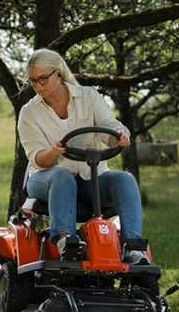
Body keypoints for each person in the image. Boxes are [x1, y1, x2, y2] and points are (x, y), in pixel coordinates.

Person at [17, 48, 147, 263]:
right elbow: (38, 159)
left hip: (89, 178)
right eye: (33, 81)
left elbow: (110, 127)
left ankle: (131, 247)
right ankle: (66, 241)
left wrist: (119, 137)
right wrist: (54, 152)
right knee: (62, 176)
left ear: (58, 73)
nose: (38, 86)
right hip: (45, 179)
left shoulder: (88, 96)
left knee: (124, 179)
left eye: (43, 79)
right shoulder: (29, 112)